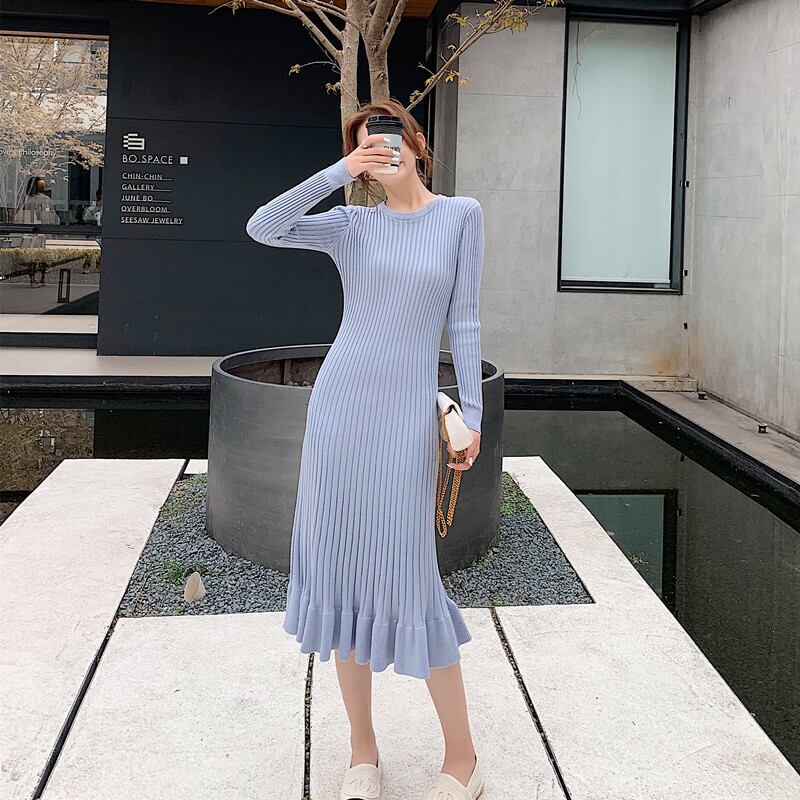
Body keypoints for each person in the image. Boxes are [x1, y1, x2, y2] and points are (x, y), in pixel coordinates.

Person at [245, 99, 485, 800]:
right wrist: (338, 171)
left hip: (405, 416)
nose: (380, 150)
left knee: (411, 578)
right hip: (340, 409)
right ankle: (362, 754)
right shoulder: (352, 225)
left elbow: (466, 323)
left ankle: (463, 761)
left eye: (388, 137)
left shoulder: (461, 216)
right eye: (364, 145)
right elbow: (263, 226)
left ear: (417, 142)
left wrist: (469, 413)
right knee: (340, 575)